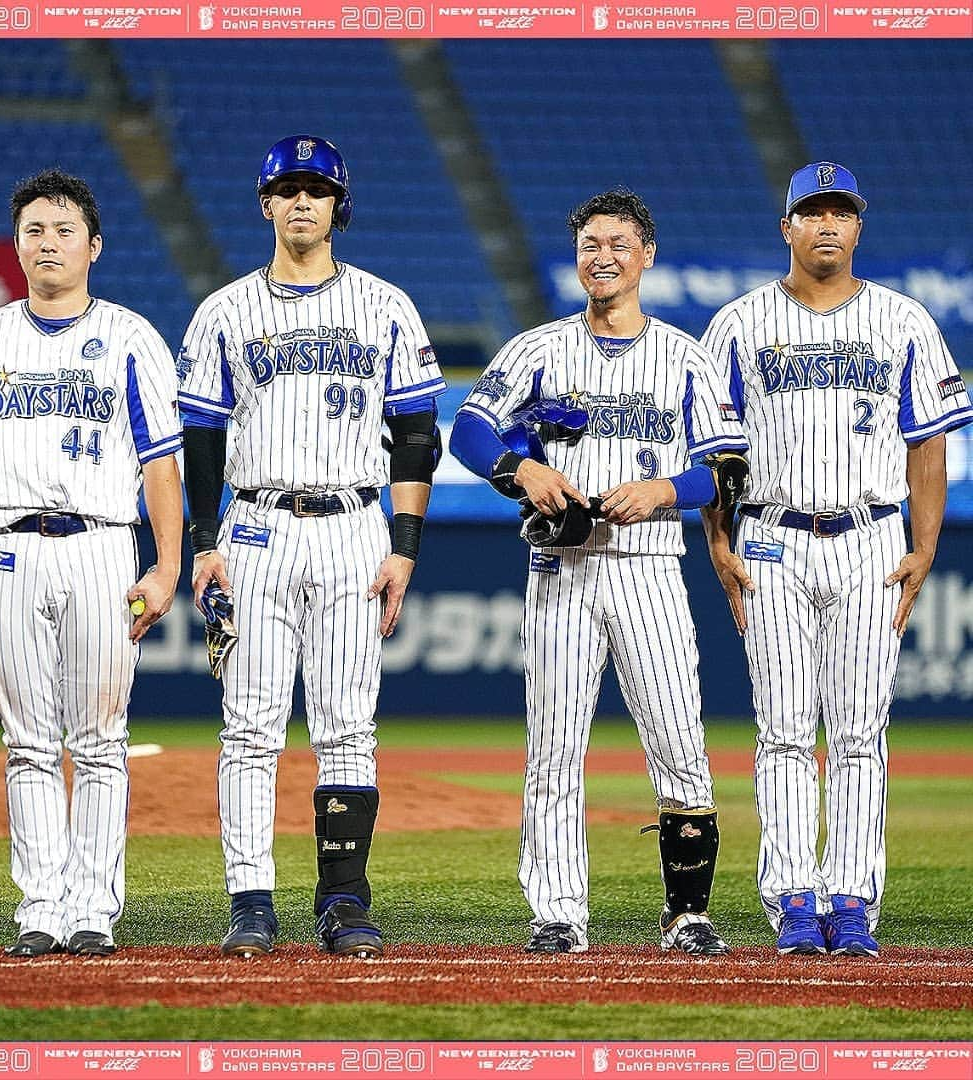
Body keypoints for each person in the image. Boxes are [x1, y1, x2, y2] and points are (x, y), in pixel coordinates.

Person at [450, 189, 748, 955]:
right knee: (553, 748)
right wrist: (520, 468)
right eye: (589, 243)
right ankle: (557, 914)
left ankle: (687, 913)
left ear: (646, 254)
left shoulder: (686, 356)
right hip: (562, 566)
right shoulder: (537, 349)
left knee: (679, 739)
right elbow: (470, 431)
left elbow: (727, 467)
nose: (602, 255)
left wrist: (664, 490)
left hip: (647, 567)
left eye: (618, 242)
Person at [0, 168, 183, 958]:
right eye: (33, 230)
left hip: (99, 543)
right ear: (17, 247)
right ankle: (40, 907)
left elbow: (162, 465)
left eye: (63, 229)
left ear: (93, 246)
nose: (47, 242)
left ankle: (92, 909)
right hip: (7, 551)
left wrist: (166, 565)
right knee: (26, 741)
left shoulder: (131, 337)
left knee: (98, 737)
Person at [178, 135, 446, 959]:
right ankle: (250, 902)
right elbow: (202, 440)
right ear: (266, 204)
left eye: (317, 189)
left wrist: (403, 547)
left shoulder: (387, 305)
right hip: (254, 526)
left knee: (347, 727)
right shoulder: (223, 310)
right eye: (287, 189)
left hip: (354, 528)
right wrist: (202, 543)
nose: (301, 201)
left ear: (339, 206)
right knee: (250, 726)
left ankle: (342, 898)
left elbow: (414, 436)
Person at [701, 162, 973, 957]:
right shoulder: (738, 324)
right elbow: (719, 450)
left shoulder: (904, 320)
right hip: (770, 536)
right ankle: (794, 897)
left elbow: (929, 444)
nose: (826, 225)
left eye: (840, 213)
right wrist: (717, 539)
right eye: (811, 213)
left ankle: (850, 899)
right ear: (785, 227)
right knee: (783, 728)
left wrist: (925, 546)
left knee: (859, 728)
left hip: (871, 536)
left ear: (858, 227)